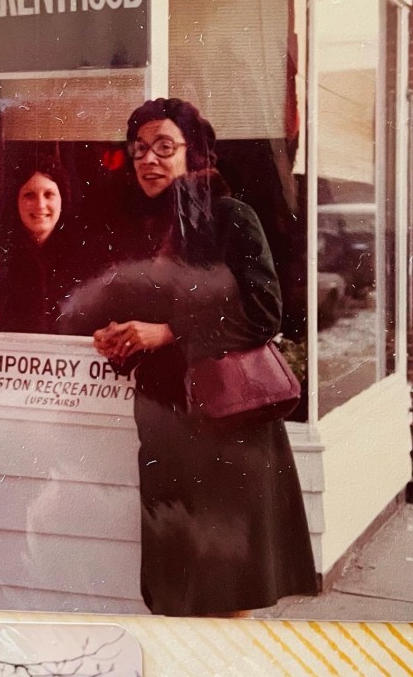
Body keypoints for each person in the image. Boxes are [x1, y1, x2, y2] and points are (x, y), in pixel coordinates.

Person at [92, 98, 317, 617]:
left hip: (227, 427)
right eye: (140, 149)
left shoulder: (229, 216)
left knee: (228, 592)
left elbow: (264, 313)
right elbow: (142, 326)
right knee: (175, 589)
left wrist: (168, 332)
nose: (148, 159)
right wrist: (120, 340)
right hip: (166, 429)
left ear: (193, 155)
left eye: (164, 147)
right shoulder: (141, 231)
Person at [0, 156, 79, 334]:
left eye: (49, 195)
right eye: (29, 195)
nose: (40, 205)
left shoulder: (82, 255)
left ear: (62, 199)